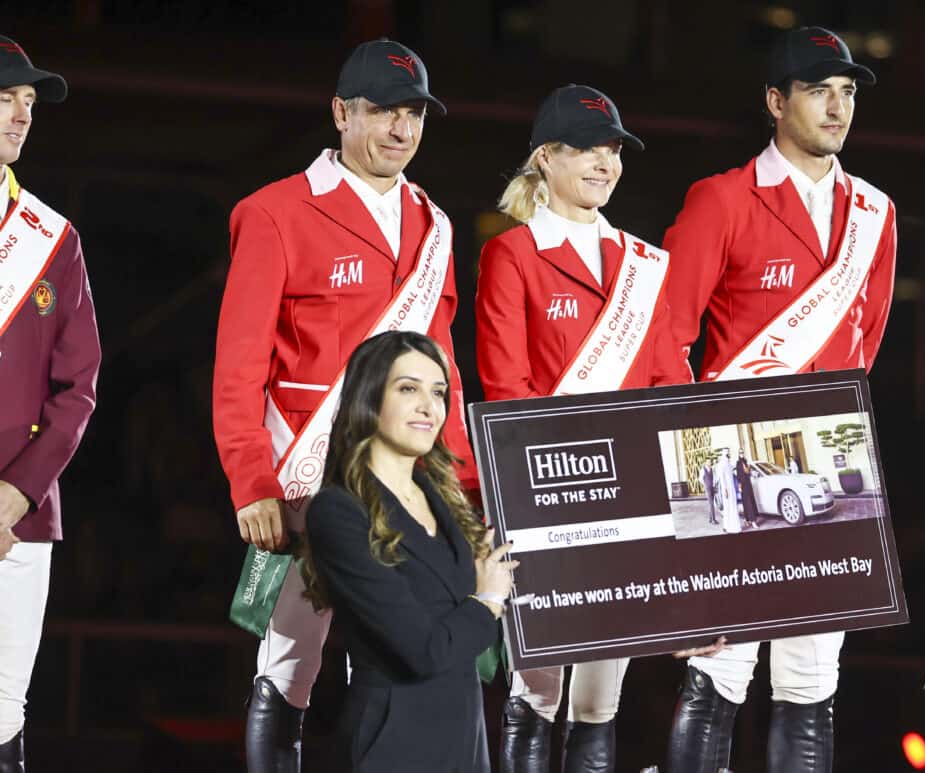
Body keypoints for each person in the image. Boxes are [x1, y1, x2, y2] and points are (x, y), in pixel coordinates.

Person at [211, 39, 477, 771]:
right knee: (291, 668)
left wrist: (466, 490)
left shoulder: (435, 225)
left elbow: (442, 367)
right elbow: (238, 366)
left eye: (413, 115)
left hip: (411, 487)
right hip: (310, 479)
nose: (400, 130)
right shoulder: (273, 213)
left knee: (396, 663)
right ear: (341, 113)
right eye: (382, 112)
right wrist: (252, 480)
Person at [662, 26, 897, 773]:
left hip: (830, 460)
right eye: (818, 90)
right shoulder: (722, 199)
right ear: (774, 100)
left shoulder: (876, 213)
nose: (837, 107)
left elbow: (867, 339)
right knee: (722, 667)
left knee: (811, 678)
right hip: (733, 465)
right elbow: (667, 341)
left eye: (847, 92)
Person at [475, 84, 691, 772]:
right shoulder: (511, 255)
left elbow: (669, 385)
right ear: (545, 157)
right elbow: (507, 388)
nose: (605, 162)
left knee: (601, 697)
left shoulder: (645, 265)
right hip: (549, 503)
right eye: (588, 149)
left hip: (629, 509)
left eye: (613, 150)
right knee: (537, 689)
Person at [300, 331, 513, 772]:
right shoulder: (338, 511)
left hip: (465, 741)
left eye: (438, 392)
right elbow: (423, 651)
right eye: (408, 388)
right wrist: (488, 600)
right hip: (392, 745)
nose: (428, 406)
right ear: (369, 397)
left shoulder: (444, 498)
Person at [0, 37, 100, 772]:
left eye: (28, 104)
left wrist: (12, 494)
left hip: (19, 515)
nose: (20, 116)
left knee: (3, 707)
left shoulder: (53, 238)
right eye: (5, 97)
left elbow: (79, 387)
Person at [715, 449, 740, 534]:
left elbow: (733, 475)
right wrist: (724, 489)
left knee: (733, 507)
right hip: (726, 490)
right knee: (728, 508)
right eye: (727, 453)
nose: (729, 454)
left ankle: (732, 526)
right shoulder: (721, 464)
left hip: (732, 488)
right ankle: (727, 527)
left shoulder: (729, 464)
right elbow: (722, 478)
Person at [736, 451, 758, 528]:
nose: (742, 454)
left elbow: (749, 472)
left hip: (748, 484)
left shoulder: (746, 461)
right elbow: (739, 475)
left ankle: (747, 519)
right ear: (738, 454)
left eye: (742, 452)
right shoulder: (738, 463)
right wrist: (739, 486)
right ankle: (753, 521)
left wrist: (749, 471)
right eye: (740, 453)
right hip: (743, 485)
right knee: (747, 503)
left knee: (749, 502)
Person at [701, 460, 718, 524]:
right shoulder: (703, 470)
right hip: (707, 488)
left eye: (710, 462)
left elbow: (714, 478)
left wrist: (714, 484)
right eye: (708, 462)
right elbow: (700, 479)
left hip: (712, 488)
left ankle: (710, 519)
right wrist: (705, 484)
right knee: (711, 504)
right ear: (706, 462)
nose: (710, 463)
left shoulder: (712, 469)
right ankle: (713, 519)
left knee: (712, 503)